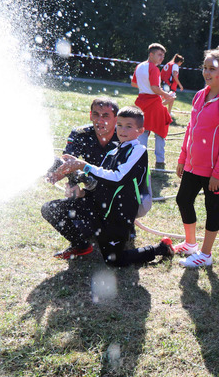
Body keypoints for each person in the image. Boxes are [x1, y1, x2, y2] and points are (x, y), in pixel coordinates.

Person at [49, 106, 174, 266]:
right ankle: (81, 246)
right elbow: (99, 184)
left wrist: (83, 165)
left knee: (114, 261)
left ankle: (161, 248)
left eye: (129, 126)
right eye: (120, 125)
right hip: (99, 207)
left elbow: (117, 178)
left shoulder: (139, 150)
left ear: (141, 130)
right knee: (51, 208)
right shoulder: (112, 153)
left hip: (118, 215)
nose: (123, 130)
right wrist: (82, 193)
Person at [173, 49, 219, 268]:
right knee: (183, 200)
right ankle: (190, 243)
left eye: (212, 69)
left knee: (212, 207)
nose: (206, 72)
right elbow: (190, 129)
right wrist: (182, 157)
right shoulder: (200, 95)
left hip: (215, 171)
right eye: (204, 68)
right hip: (193, 165)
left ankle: (205, 254)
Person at [42, 97, 121, 260]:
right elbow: (68, 162)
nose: (100, 120)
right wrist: (69, 181)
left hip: (116, 198)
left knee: (111, 229)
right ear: (90, 115)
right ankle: (81, 246)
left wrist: (84, 190)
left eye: (106, 115)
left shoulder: (125, 139)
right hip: (90, 194)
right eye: (96, 114)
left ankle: (120, 225)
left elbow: (120, 182)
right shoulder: (80, 134)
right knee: (49, 208)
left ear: (116, 118)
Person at [133, 43, 175, 169]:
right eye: (159, 55)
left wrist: (146, 88)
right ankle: (160, 161)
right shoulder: (153, 68)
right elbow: (154, 88)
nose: (162, 58)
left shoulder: (139, 66)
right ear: (151, 55)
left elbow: (134, 83)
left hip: (141, 101)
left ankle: (139, 161)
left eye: (163, 55)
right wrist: (166, 95)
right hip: (153, 103)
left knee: (143, 131)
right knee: (160, 132)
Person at [160, 53, 185, 122]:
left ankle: (169, 112)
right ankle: (157, 107)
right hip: (170, 85)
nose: (180, 64)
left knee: (171, 98)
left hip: (165, 83)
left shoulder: (169, 64)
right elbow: (174, 75)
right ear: (179, 62)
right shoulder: (175, 66)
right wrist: (180, 85)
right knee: (171, 98)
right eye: (181, 63)